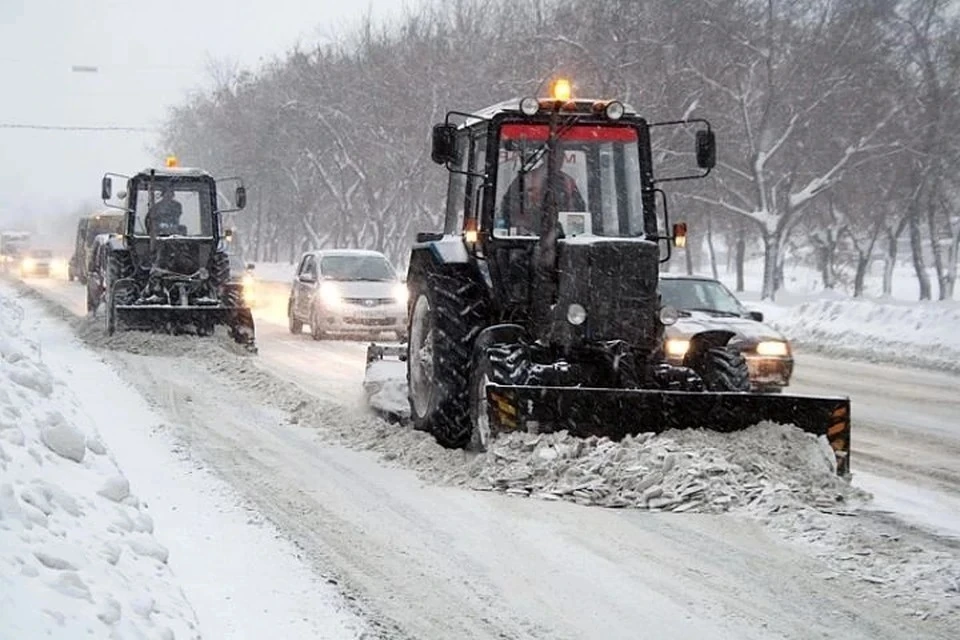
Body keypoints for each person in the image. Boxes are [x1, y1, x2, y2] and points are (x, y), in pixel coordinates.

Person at [499, 149, 586, 235]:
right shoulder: (526, 180)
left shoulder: (569, 182)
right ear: (544, 158)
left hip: (562, 237)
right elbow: (509, 209)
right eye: (553, 156)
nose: (557, 160)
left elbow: (579, 213)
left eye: (560, 156)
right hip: (528, 238)